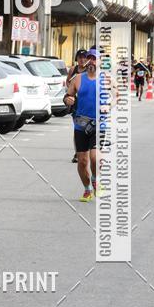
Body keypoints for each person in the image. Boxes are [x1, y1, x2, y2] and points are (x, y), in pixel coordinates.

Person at [63, 48, 98, 202]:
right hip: (81, 124)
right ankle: (87, 189)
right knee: (82, 161)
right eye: (89, 58)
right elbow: (68, 95)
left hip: (99, 123)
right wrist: (68, 100)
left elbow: (117, 96)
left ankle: (95, 179)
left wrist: (110, 105)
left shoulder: (106, 79)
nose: (91, 61)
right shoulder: (77, 78)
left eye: (94, 59)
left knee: (95, 158)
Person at [66, 49, 88, 163]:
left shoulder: (90, 70)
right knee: (78, 128)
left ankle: (88, 150)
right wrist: (72, 90)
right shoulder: (73, 70)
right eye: (80, 57)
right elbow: (68, 82)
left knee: (88, 129)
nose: (82, 60)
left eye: (84, 57)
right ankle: (77, 153)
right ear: (77, 59)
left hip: (88, 103)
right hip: (76, 104)